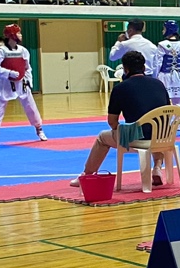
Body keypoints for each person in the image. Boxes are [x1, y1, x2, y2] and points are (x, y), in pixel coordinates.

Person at [70, 50, 173, 185]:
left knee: (102, 138)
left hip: (136, 138)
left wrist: (124, 132)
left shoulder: (120, 88)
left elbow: (112, 122)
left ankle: (86, 176)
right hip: (163, 137)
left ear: (125, 69)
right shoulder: (159, 84)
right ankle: (157, 168)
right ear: (143, 67)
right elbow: (168, 111)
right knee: (155, 130)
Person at [0, 24, 48, 145]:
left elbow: (27, 68)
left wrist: (29, 81)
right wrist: (8, 73)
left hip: (21, 83)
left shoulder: (23, 51)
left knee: (31, 107)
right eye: (18, 33)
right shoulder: (1, 51)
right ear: (11, 35)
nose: (21, 35)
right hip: (5, 84)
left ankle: (39, 129)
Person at [156, 21, 180, 134]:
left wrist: (155, 76)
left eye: (164, 28)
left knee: (164, 103)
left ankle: (164, 128)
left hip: (165, 76)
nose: (162, 31)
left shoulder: (162, 45)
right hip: (179, 77)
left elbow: (157, 63)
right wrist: (179, 68)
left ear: (168, 30)